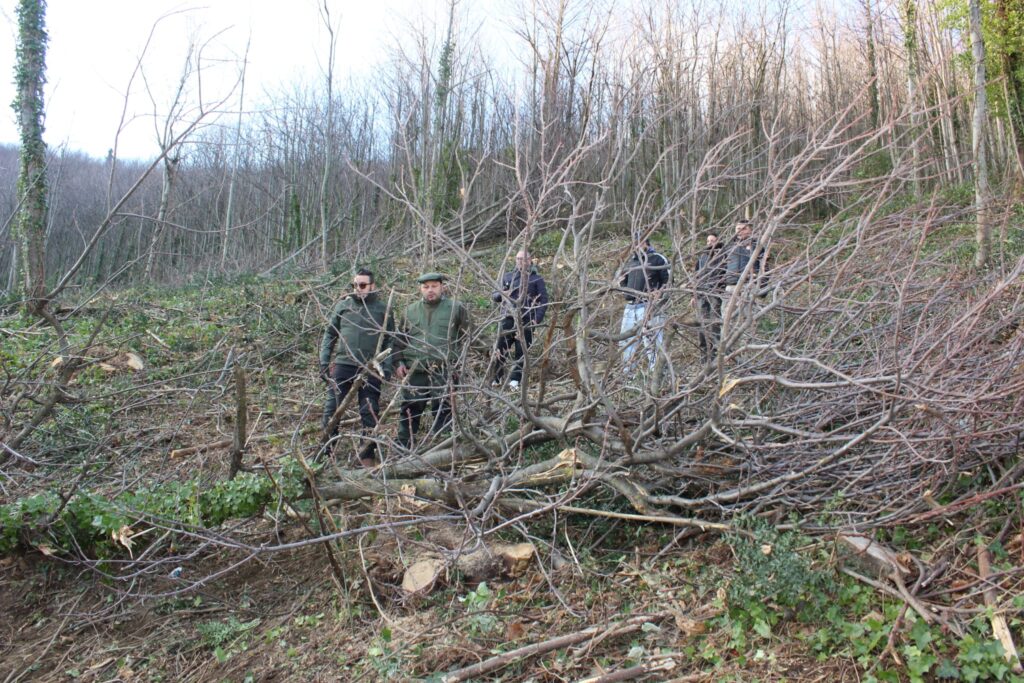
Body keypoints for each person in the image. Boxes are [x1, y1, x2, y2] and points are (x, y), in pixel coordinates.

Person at [319, 268, 395, 467]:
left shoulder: (383, 309)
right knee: (332, 410)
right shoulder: (344, 306)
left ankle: (367, 457)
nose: (358, 289)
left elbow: (390, 340)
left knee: (369, 412)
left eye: (362, 285)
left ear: (372, 286)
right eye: (355, 285)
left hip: (370, 367)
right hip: (343, 365)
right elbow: (330, 334)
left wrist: (386, 367)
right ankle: (326, 455)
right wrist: (324, 362)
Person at [394, 272, 472, 450]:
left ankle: (443, 449)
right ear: (420, 289)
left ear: (442, 287)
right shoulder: (410, 311)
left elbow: (472, 335)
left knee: (444, 409)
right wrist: (398, 363)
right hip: (415, 370)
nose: (430, 290)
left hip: (444, 369)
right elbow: (399, 340)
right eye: (426, 287)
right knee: (410, 409)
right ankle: (404, 447)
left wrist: (491, 351)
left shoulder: (456, 308)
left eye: (434, 286)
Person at [492, 250, 548, 389]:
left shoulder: (536, 279)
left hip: (526, 320)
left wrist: (536, 320)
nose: (520, 261)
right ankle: (497, 377)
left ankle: (515, 380)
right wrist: (501, 295)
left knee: (521, 351)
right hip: (508, 318)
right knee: (500, 348)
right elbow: (495, 295)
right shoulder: (507, 276)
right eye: (518, 259)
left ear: (529, 261)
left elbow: (544, 301)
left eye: (523, 259)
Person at [619, 232, 671, 373]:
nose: (637, 246)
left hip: (649, 305)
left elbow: (668, 280)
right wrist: (625, 290)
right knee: (626, 341)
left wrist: (659, 295)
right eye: (635, 243)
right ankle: (627, 374)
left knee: (652, 340)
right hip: (631, 306)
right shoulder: (631, 262)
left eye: (639, 242)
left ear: (646, 243)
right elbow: (622, 280)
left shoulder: (657, 259)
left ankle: (657, 373)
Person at [694, 232, 727, 362]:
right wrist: (693, 295)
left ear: (718, 241)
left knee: (714, 325)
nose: (709, 243)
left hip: (715, 294)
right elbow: (696, 276)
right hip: (701, 294)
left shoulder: (723, 255)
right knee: (701, 324)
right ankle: (704, 355)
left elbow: (726, 274)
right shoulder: (702, 257)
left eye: (712, 241)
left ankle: (714, 354)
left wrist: (720, 289)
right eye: (708, 241)